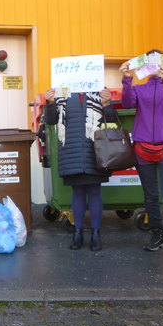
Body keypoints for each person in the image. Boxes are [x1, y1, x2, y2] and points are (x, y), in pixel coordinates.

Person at [120, 49, 163, 262]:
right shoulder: (140, 90)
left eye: (157, 62)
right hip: (143, 149)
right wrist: (126, 79)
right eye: (149, 62)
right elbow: (127, 103)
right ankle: (157, 236)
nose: (153, 66)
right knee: (150, 196)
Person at [44, 87, 116, 251]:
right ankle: (78, 233)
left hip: (95, 152)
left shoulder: (99, 91)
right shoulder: (63, 93)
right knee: (77, 191)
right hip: (71, 152)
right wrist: (50, 103)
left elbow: (112, 121)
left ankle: (96, 234)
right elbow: (51, 121)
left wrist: (106, 103)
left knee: (95, 191)